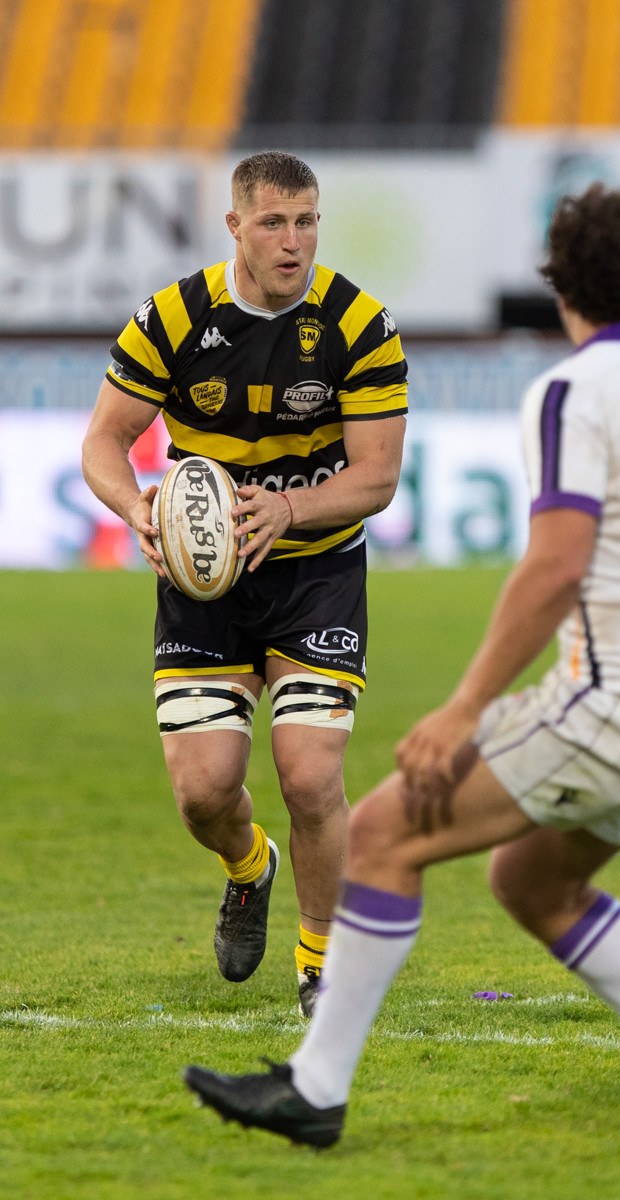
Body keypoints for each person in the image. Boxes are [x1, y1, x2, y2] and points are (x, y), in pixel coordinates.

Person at [183, 184, 620, 1147]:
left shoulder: (572, 392)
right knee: (533, 883)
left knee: (377, 833)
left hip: (612, 702)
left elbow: (554, 566)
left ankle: (316, 1091)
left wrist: (463, 709)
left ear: (563, 290)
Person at [82, 150, 408, 1017]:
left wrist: (288, 514)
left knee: (309, 773)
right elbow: (103, 445)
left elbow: (377, 478)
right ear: (235, 226)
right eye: (274, 221)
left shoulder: (359, 323)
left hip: (317, 574)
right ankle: (247, 867)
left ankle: (319, 964)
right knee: (202, 791)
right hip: (206, 581)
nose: (293, 239)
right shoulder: (174, 317)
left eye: (306, 220)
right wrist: (141, 513)